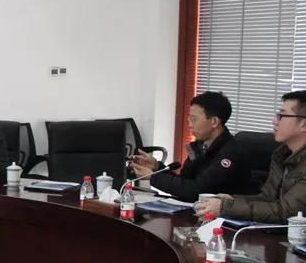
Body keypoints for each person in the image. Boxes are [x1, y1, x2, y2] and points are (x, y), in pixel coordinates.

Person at [197, 90, 306, 222]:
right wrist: (231, 200)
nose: (274, 121)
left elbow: (285, 212)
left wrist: (226, 207)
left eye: (282, 116)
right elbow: (267, 198)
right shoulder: (281, 155)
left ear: (304, 124)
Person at [129, 91, 251, 201]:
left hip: (221, 215)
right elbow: (184, 182)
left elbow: (195, 191)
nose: (189, 124)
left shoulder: (230, 154)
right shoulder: (200, 146)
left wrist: (153, 177)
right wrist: (157, 167)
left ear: (214, 122)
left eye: (194, 119)